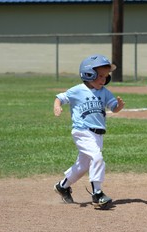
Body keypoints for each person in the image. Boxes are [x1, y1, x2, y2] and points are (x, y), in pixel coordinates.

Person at [53, 54, 125, 209]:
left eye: (106, 76)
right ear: (88, 74)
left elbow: (113, 107)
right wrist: (57, 105)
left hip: (98, 135)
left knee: (82, 166)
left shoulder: (105, 92)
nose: (103, 79)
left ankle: (62, 186)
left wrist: (118, 106)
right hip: (82, 131)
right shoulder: (77, 90)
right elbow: (60, 97)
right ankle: (97, 193)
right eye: (100, 76)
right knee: (97, 158)